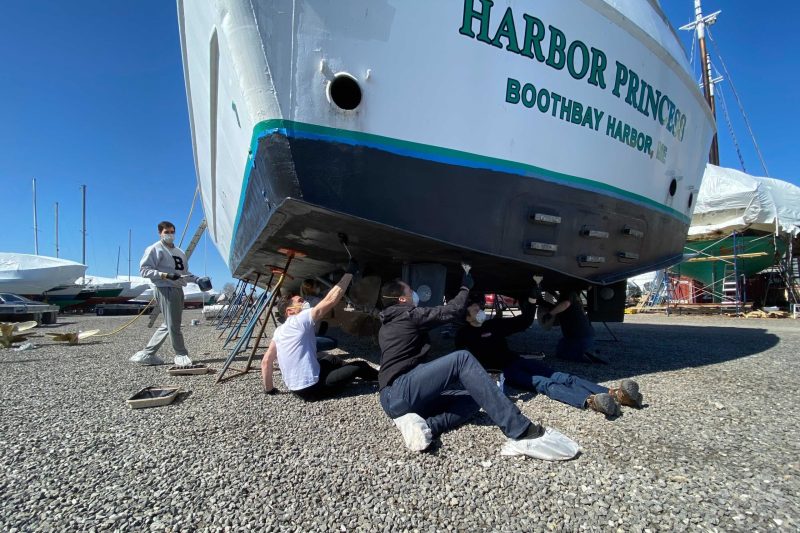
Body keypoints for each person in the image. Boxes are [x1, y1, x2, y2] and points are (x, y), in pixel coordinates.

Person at [377, 273, 579, 460]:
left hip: (400, 396)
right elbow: (451, 310)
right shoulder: (409, 315)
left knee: (473, 400)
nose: (414, 294)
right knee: (461, 359)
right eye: (409, 291)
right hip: (399, 390)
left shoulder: (388, 324)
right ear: (402, 299)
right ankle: (521, 431)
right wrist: (465, 287)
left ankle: (425, 426)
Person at [455, 295, 642, 416]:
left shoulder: (493, 325)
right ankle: (591, 401)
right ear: (467, 316)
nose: (479, 311)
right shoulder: (464, 336)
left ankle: (614, 394)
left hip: (517, 360)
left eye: (480, 309)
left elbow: (523, 322)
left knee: (563, 376)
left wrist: (529, 301)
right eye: (475, 310)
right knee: (545, 384)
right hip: (505, 371)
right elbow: (462, 361)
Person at [261, 261, 378, 401]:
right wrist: (350, 272)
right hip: (314, 388)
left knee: (330, 358)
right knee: (361, 365)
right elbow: (331, 299)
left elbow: (266, 361)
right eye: (300, 301)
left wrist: (270, 390)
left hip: (294, 388)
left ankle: (345, 371)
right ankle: (385, 379)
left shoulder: (279, 330)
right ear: (290, 311)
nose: (304, 302)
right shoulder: (299, 320)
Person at [130, 221, 198, 366]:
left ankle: (147, 354)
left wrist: (197, 279)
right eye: (166, 232)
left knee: (169, 323)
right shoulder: (155, 249)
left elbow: (184, 273)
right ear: (160, 233)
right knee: (174, 324)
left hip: (178, 289)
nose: (170, 235)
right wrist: (165, 275)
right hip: (165, 288)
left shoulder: (179, 252)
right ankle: (181, 354)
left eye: (172, 232)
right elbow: (144, 270)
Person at [541, 290, 609, 364]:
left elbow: (566, 303)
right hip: (584, 335)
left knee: (562, 353)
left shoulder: (569, 293)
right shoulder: (574, 297)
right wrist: (553, 294)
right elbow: (562, 302)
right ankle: (589, 352)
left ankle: (584, 355)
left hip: (578, 337)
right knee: (562, 347)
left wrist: (550, 314)